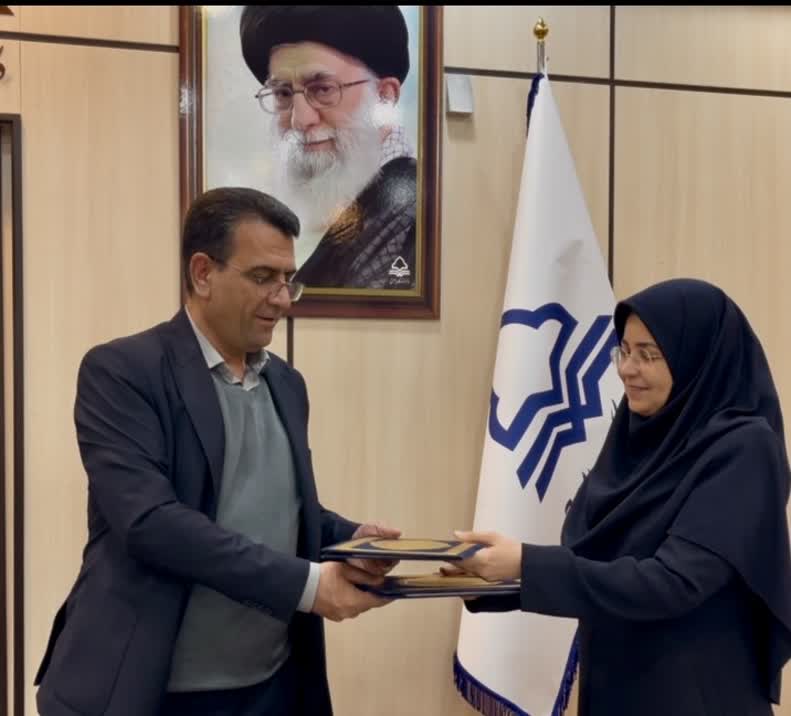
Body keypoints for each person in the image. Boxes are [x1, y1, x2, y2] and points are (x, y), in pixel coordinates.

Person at [35, 187, 399, 716]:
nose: (282, 299)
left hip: (271, 687)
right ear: (203, 273)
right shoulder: (121, 372)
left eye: (288, 279)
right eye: (263, 277)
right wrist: (309, 585)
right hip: (147, 692)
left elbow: (280, 507)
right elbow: (151, 522)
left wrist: (350, 540)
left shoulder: (287, 384)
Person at [451, 278, 791, 715]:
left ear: (698, 358)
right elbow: (598, 560)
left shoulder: (744, 448)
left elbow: (673, 583)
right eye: (624, 351)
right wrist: (487, 580)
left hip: (694, 699)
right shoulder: (638, 436)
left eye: (648, 354)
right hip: (617, 691)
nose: (627, 369)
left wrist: (525, 564)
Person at [240, 5, 417, 291]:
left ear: (384, 97)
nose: (300, 120)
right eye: (283, 93)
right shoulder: (323, 213)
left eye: (322, 89)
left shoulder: (413, 214)